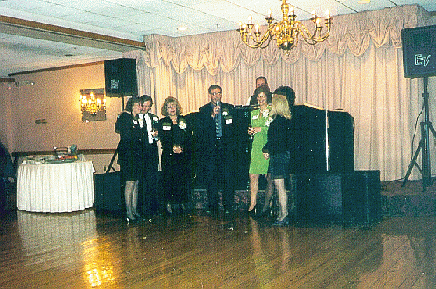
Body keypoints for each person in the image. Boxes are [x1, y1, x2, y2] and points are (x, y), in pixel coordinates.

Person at [196, 85, 236, 214]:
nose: (216, 96)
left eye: (218, 93)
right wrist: (212, 116)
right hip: (211, 149)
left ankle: (228, 205)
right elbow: (201, 130)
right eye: (213, 93)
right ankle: (213, 206)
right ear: (209, 95)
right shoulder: (203, 110)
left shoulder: (229, 108)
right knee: (211, 177)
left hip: (225, 147)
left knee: (227, 176)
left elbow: (233, 128)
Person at [262, 86, 295, 226]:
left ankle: (283, 215)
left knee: (280, 187)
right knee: (281, 186)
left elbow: (274, 142)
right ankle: (283, 214)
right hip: (284, 155)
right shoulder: (287, 120)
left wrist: (267, 150)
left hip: (278, 157)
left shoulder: (277, 123)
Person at [158, 97, 192, 214]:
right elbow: (164, 138)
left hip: (182, 155)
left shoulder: (184, 120)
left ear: (177, 107)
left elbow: (188, 137)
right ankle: (169, 204)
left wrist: (182, 148)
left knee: (182, 179)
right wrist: (172, 148)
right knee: (169, 180)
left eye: (173, 106)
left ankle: (182, 203)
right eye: (169, 107)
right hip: (169, 155)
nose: (172, 109)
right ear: (165, 109)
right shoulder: (163, 122)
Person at [115, 97, 144, 222]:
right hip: (128, 155)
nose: (140, 107)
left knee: (136, 183)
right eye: (138, 105)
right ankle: (128, 212)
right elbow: (126, 135)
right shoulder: (125, 117)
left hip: (136, 154)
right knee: (130, 183)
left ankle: (134, 210)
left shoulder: (136, 118)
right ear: (131, 106)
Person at [247, 85, 274, 215]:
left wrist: (260, 129)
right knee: (253, 175)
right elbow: (253, 128)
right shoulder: (253, 113)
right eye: (258, 96)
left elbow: (272, 130)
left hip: (267, 146)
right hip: (256, 146)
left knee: (268, 176)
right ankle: (253, 203)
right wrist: (251, 131)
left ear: (267, 97)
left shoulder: (271, 111)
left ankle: (269, 203)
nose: (260, 98)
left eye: (262, 96)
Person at [139, 95, 160, 217]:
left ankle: (153, 208)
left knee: (152, 179)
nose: (146, 108)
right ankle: (143, 209)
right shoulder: (135, 117)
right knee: (142, 181)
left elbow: (157, 136)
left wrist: (156, 135)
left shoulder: (153, 118)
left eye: (148, 106)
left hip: (152, 150)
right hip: (141, 151)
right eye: (144, 105)